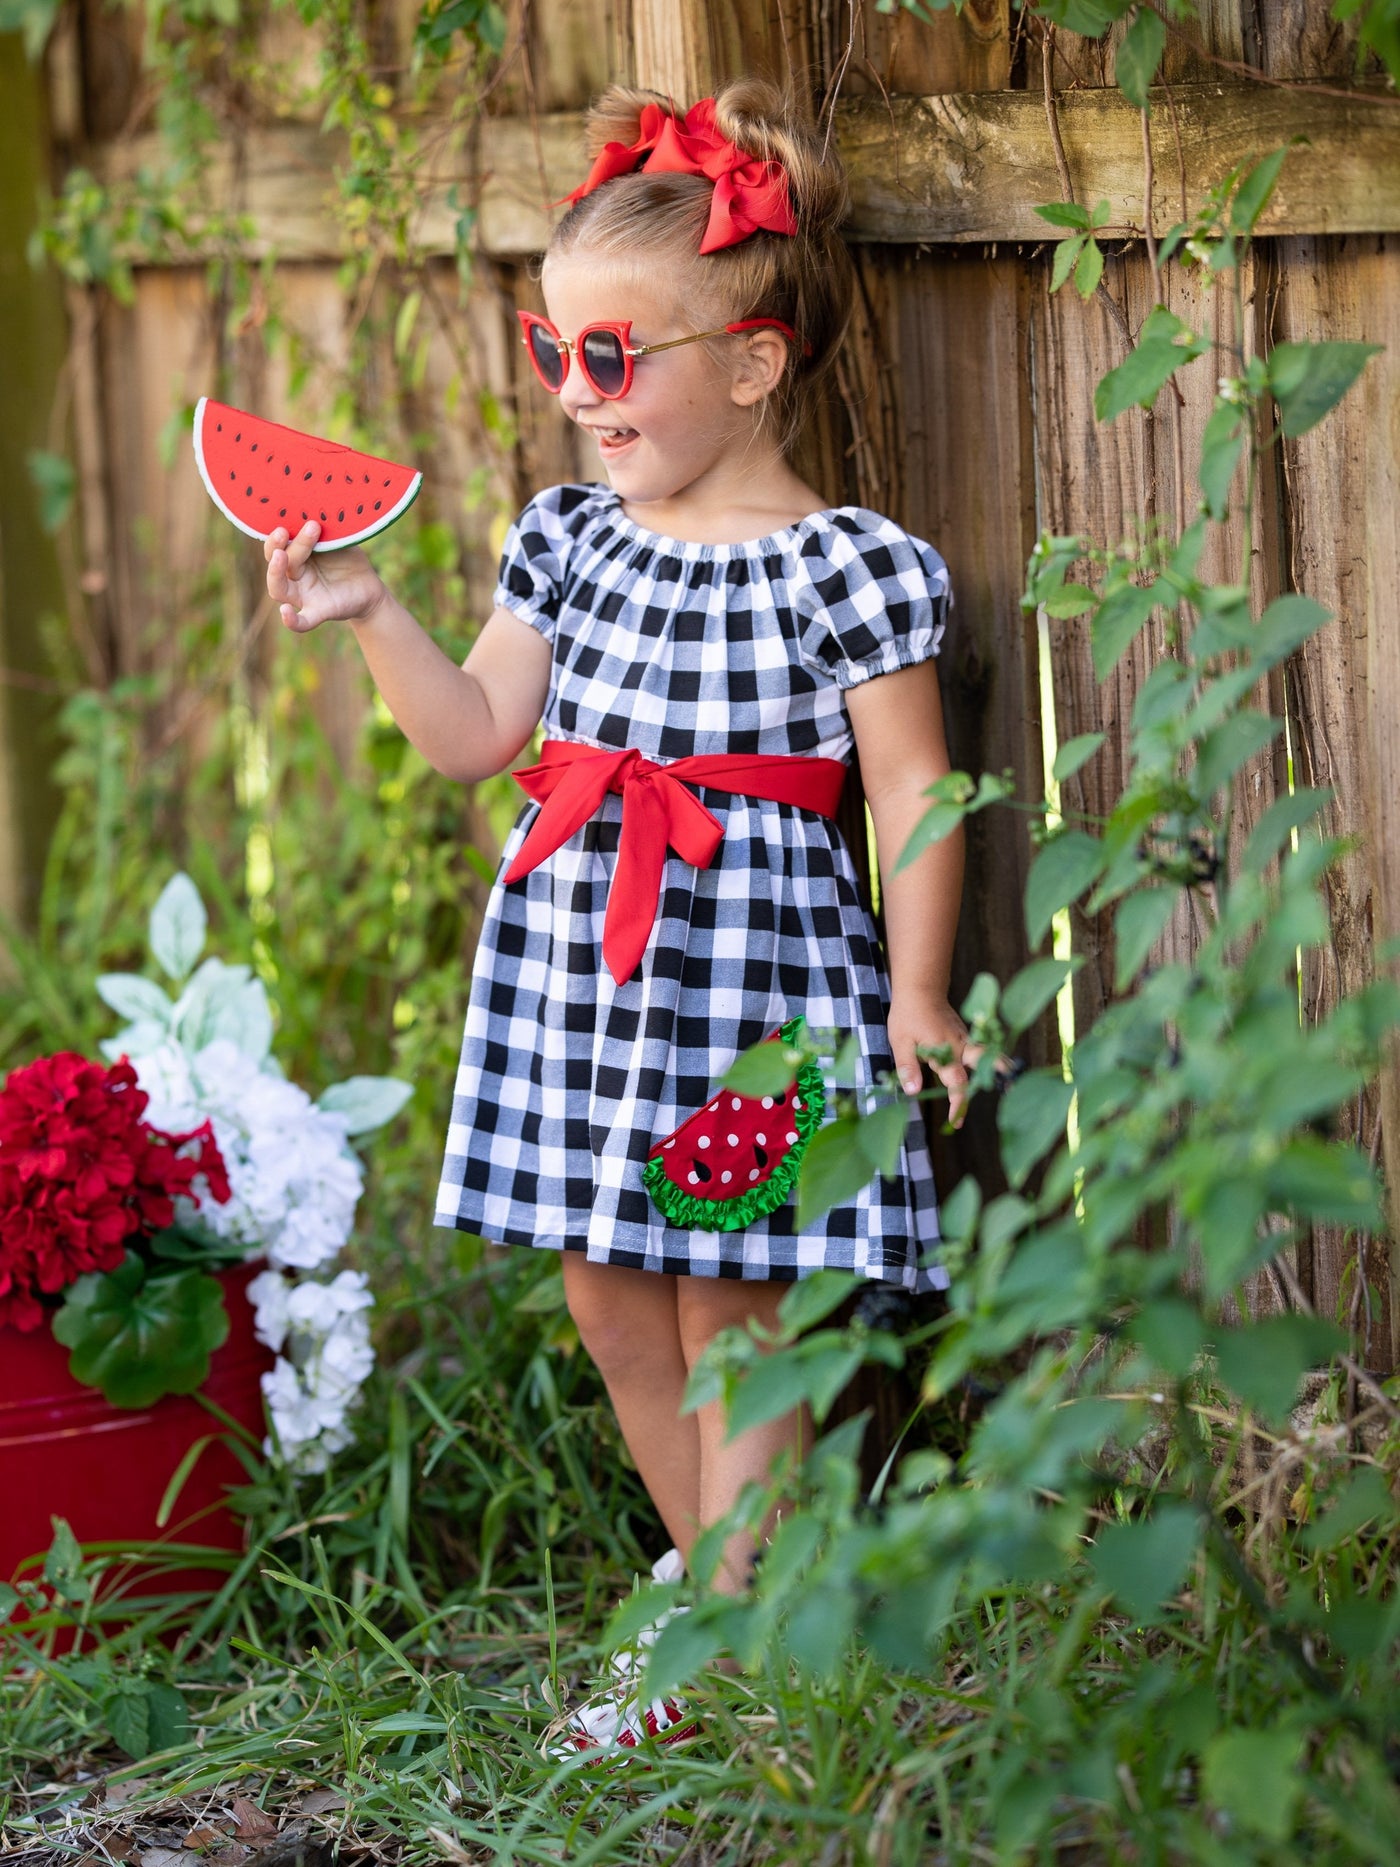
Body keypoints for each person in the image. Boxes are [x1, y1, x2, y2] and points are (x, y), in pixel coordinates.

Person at [265, 77, 973, 1750]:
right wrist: (368, 609)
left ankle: (721, 1656)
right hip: (588, 980)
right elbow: (476, 737)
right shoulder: (569, 541)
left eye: (612, 356)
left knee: (735, 1307)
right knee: (609, 1301)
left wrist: (920, 991)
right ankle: (732, 1591)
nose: (578, 393)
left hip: (757, 995)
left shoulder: (848, 566)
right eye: (553, 351)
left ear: (752, 363)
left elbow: (914, 791)